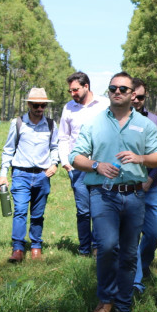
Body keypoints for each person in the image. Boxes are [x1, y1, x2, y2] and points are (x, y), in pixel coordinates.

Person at [69, 72, 157, 312]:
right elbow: (75, 157)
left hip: (134, 195)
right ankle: (104, 302)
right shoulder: (94, 123)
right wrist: (96, 165)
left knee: (129, 254)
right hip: (103, 194)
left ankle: (123, 307)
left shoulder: (145, 125)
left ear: (133, 94)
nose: (118, 92)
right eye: (113, 88)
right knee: (108, 247)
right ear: (109, 91)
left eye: (124, 88)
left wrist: (140, 158)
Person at [0, 88, 59, 263]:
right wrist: (3, 174)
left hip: (42, 175)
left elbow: (55, 147)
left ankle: (36, 247)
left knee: (38, 214)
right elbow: (8, 149)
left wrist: (54, 163)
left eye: (43, 105)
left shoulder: (51, 124)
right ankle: (17, 249)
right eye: (36, 105)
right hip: (21, 174)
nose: (40, 108)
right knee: (20, 212)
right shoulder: (18, 123)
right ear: (29, 104)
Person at [58, 71, 110, 257]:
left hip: (100, 166)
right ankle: (84, 248)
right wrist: (66, 163)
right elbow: (63, 136)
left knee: (100, 209)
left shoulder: (105, 104)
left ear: (86, 86)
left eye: (75, 90)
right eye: (70, 91)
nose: (72, 94)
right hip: (78, 168)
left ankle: (97, 247)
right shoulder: (69, 108)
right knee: (83, 211)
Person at [130, 78, 157, 294]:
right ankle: (135, 280)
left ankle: (142, 265)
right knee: (131, 232)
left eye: (141, 97)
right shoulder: (117, 119)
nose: (136, 100)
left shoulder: (156, 121)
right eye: (133, 95)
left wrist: (150, 178)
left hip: (150, 183)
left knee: (155, 232)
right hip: (125, 184)